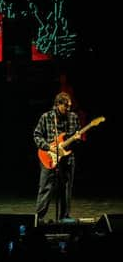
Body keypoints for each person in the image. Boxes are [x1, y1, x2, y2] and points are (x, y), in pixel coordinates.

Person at [33, 91, 81, 223]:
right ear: (58, 104)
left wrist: (77, 138)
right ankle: (39, 218)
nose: (68, 109)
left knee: (66, 188)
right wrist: (48, 147)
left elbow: (76, 140)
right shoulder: (46, 117)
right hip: (48, 157)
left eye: (70, 106)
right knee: (45, 188)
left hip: (68, 158)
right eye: (66, 106)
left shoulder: (73, 117)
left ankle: (64, 216)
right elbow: (37, 135)